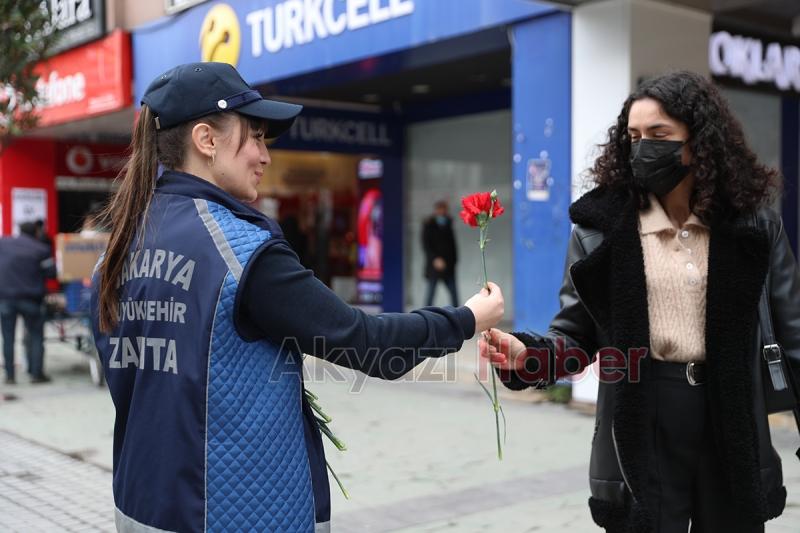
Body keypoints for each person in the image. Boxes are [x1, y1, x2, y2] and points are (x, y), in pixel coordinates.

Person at [90, 62, 504, 533]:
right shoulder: (240, 251)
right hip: (234, 512)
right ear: (206, 140)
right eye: (256, 137)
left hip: (141, 506)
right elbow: (365, 343)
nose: (266, 156)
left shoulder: (119, 248)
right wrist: (467, 319)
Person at [481, 71, 800, 533]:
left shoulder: (752, 226)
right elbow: (575, 332)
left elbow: (793, 337)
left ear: (699, 140)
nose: (643, 147)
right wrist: (527, 356)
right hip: (645, 414)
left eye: (659, 134)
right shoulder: (601, 231)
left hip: (731, 413)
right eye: (633, 136)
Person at [0, 222, 56, 384]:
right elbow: (51, 273)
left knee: (8, 338)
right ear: (36, 232)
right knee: (36, 335)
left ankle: (10, 376)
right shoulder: (41, 250)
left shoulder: (3, 243)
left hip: (6, 299)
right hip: (31, 300)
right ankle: (36, 374)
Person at [422, 200, 459, 307]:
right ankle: (425, 316)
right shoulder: (429, 225)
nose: (442, 212)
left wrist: (454, 261)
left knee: (454, 294)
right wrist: (435, 259)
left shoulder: (448, 223)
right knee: (431, 293)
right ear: (436, 210)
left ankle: (458, 316)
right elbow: (426, 245)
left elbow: (453, 246)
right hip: (434, 265)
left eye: (444, 209)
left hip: (449, 265)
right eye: (440, 209)